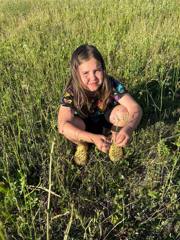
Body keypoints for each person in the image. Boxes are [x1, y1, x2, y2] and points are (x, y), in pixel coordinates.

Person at [58, 44, 142, 166]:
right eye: (85, 73)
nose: (93, 78)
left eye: (97, 71)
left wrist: (129, 128)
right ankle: (82, 145)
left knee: (123, 113)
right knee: (70, 127)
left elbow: (135, 108)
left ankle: (115, 140)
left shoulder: (110, 84)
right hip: (83, 126)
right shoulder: (72, 91)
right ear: (76, 74)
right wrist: (92, 138)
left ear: (103, 68)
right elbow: (62, 126)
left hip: (107, 121)